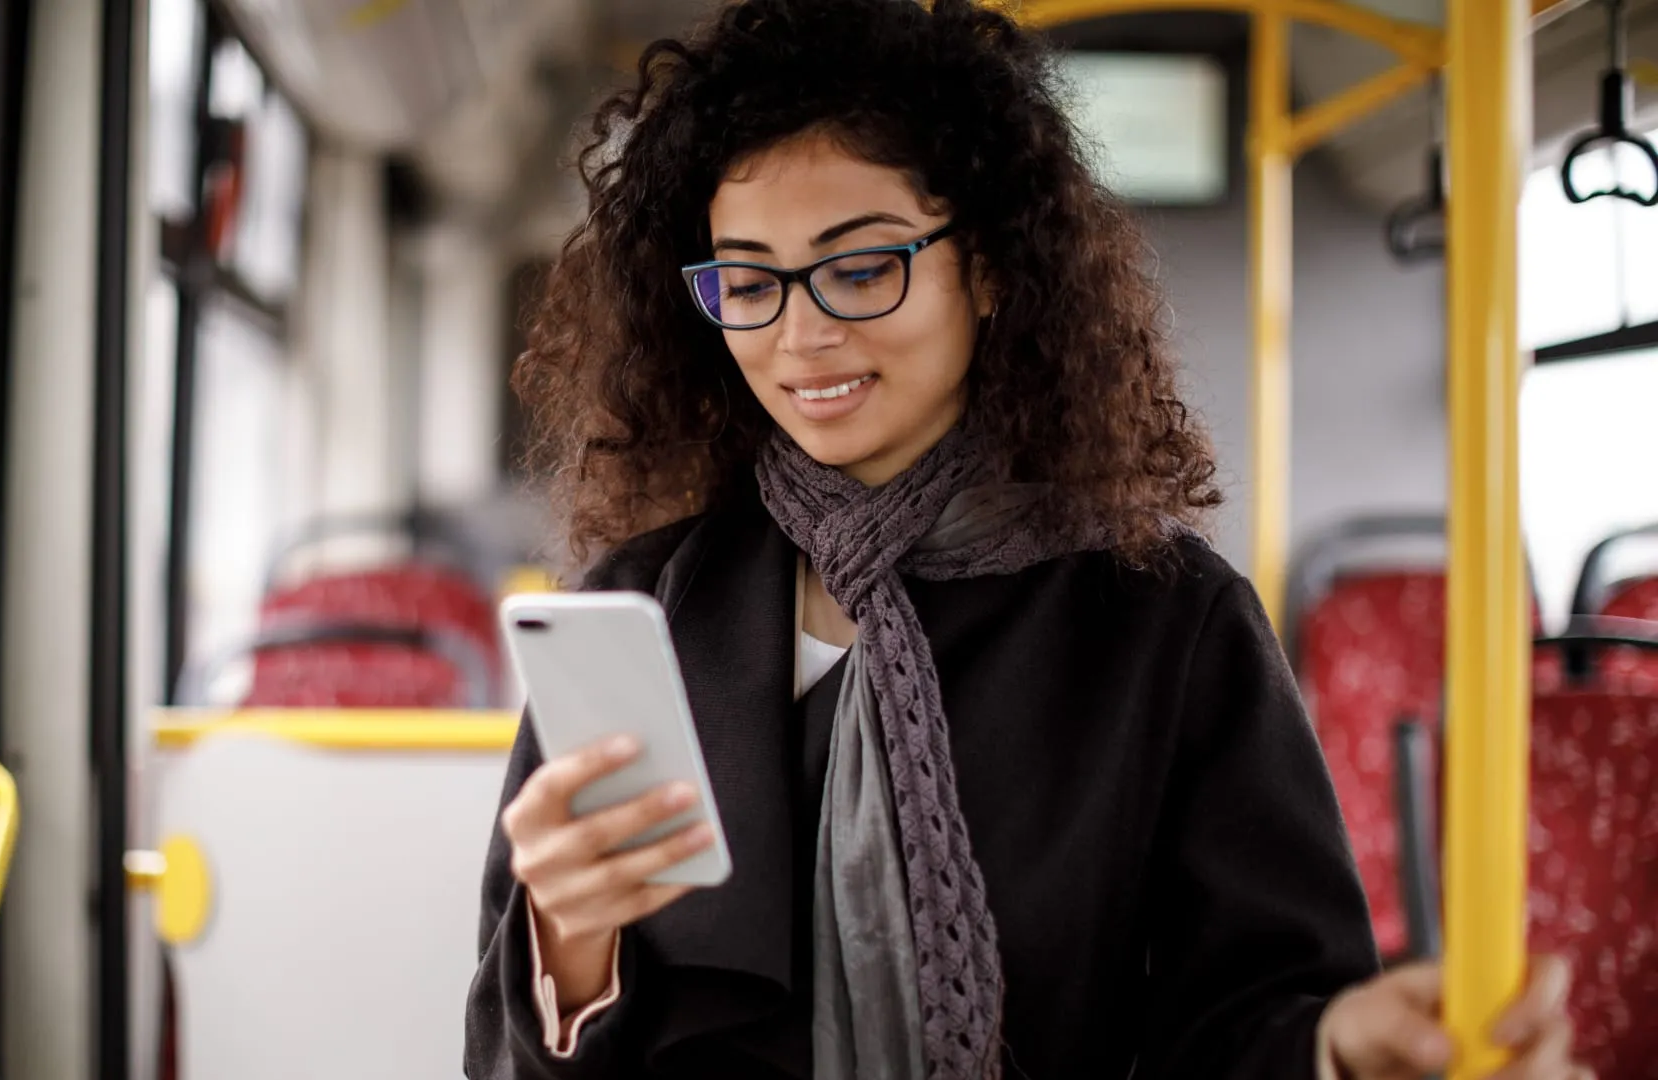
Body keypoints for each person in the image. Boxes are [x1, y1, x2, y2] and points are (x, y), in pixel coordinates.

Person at [464, 1, 1585, 1077]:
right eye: (749, 282)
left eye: (862, 265)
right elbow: (504, 1063)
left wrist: (1335, 1052)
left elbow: (1248, 1022)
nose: (801, 335)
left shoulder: (1162, 618)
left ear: (989, 267)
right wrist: (568, 947)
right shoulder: (650, 605)